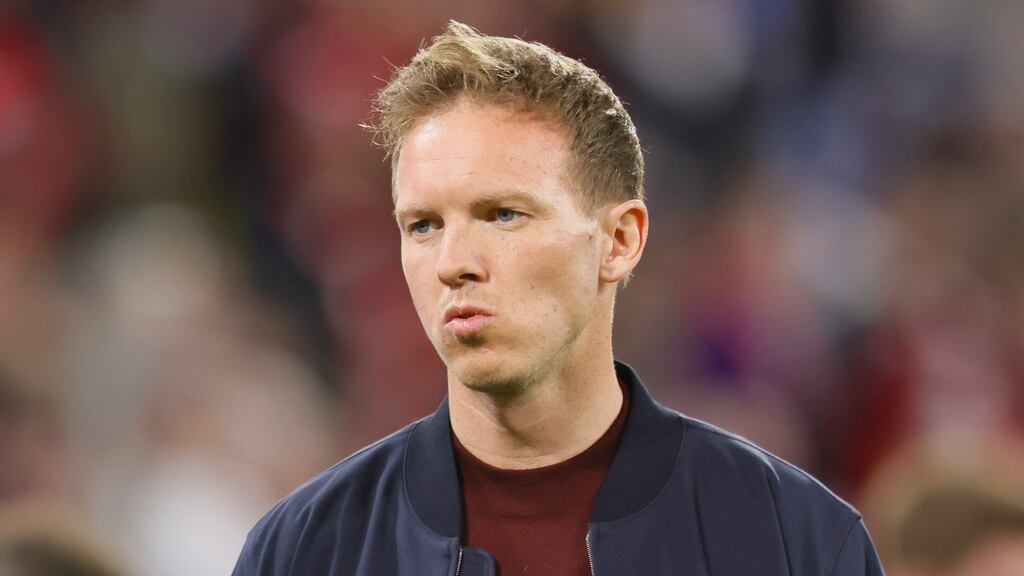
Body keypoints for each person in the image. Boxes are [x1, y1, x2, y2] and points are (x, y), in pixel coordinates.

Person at [233, 21, 885, 575]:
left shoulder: (797, 542)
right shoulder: (305, 551)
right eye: (424, 225)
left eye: (504, 214)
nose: (454, 263)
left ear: (620, 240)